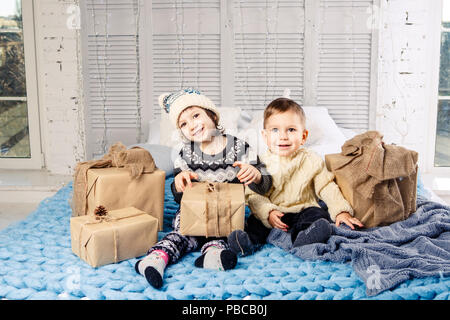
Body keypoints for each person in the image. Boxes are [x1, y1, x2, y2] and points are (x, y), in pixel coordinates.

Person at [135, 88, 272, 289]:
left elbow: (265, 185)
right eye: (183, 123)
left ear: (212, 115)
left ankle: (213, 254)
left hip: (225, 214)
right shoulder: (184, 155)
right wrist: (179, 184)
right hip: (193, 215)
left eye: (196, 115)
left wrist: (256, 175)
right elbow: (180, 198)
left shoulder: (239, 148)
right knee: (181, 232)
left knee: (226, 234)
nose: (192, 125)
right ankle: (157, 258)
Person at [227, 97, 363, 257]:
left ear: (304, 136)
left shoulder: (312, 159)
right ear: (265, 136)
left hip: (303, 209)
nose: (283, 136)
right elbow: (253, 195)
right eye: (275, 130)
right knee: (254, 223)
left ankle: (304, 237)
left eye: (291, 130)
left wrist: (341, 211)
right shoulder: (260, 163)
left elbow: (327, 187)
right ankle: (245, 243)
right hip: (274, 212)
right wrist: (268, 213)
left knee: (318, 216)